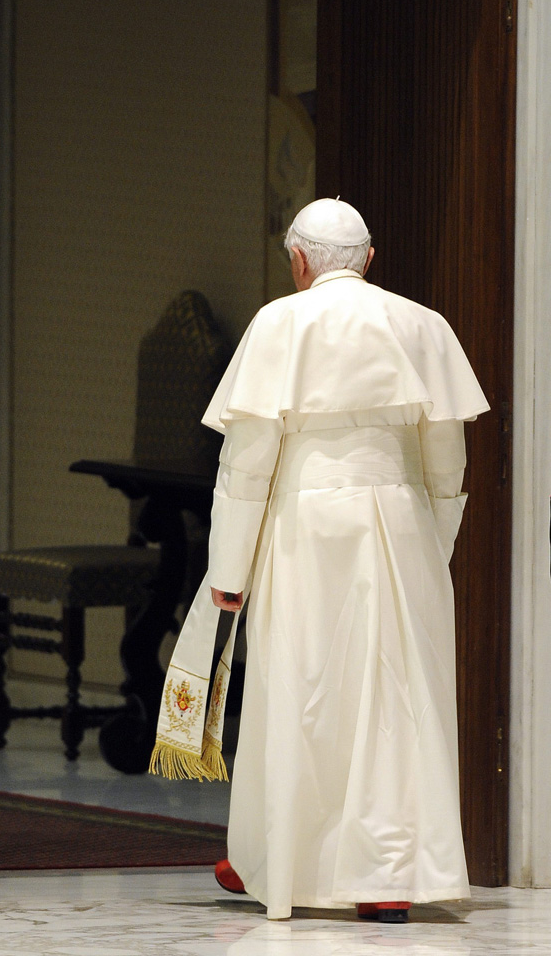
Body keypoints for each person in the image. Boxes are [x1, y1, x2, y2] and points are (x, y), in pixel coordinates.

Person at [149, 198, 489, 923]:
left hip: (303, 528)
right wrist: (435, 550)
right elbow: (448, 466)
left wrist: (229, 575)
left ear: (298, 262)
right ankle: (388, 877)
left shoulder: (280, 324)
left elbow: (246, 468)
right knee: (395, 704)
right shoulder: (425, 328)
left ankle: (276, 858)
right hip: (402, 530)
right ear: (369, 259)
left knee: (298, 692)